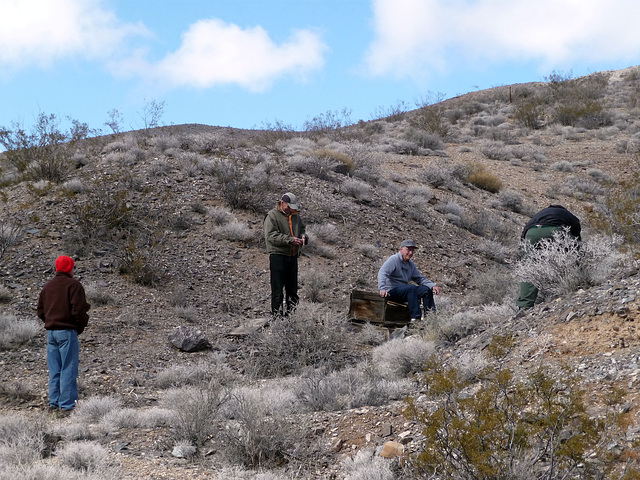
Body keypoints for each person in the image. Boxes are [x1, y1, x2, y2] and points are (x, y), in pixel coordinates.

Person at [37, 255, 90, 415]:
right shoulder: (74, 285)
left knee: (55, 370)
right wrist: (79, 326)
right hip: (67, 332)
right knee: (68, 368)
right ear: (70, 268)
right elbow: (79, 310)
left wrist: (50, 321)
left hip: (51, 333)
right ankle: (67, 406)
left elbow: (40, 311)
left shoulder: (48, 286)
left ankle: (53, 403)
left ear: (57, 268)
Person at [516, 204, 581, 310]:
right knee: (571, 256)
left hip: (531, 233)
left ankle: (524, 305)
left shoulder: (538, 215)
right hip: (555, 230)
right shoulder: (567, 214)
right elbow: (576, 235)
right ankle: (575, 288)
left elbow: (524, 234)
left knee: (530, 268)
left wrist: (525, 251)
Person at [264, 192, 308, 317]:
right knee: (277, 290)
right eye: (288, 206)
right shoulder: (272, 216)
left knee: (292, 290)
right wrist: (290, 240)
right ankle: (277, 318)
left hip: (292, 256)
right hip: (278, 256)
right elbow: (270, 236)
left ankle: (292, 317)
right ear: (282, 203)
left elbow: (302, 229)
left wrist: (303, 237)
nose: (290, 209)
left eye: (292, 207)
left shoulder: (295, 216)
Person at [378, 239, 440, 322]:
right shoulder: (394, 260)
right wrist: (382, 289)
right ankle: (416, 318)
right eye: (408, 249)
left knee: (426, 290)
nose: (410, 253)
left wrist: (432, 285)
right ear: (401, 249)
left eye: (412, 250)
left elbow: (419, 278)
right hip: (391, 292)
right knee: (411, 288)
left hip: (405, 292)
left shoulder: (410, 264)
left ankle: (431, 319)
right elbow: (382, 272)